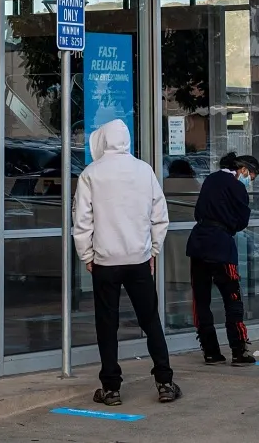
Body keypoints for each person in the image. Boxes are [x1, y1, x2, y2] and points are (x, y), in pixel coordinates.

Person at [73, 119, 180, 405]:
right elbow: (160, 216)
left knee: (107, 323)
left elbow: (82, 221)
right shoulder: (144, 171)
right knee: (150, 320)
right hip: (139, 260)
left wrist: (87, 255)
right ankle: (165, 381)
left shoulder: (91, 174)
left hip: (105, 261)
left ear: (103, 141)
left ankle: (111, 388)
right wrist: (153, 250)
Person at [185, 152, 258, 365]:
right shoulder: (237, 187)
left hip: (198, 243)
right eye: (251, 177)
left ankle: (210, 351)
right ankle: (239, 350)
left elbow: (198, 212)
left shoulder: (210, 179)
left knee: (201, 300)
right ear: (243, 170)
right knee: (232, 298)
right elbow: (241, 221)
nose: (249, 182)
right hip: (221, 246)